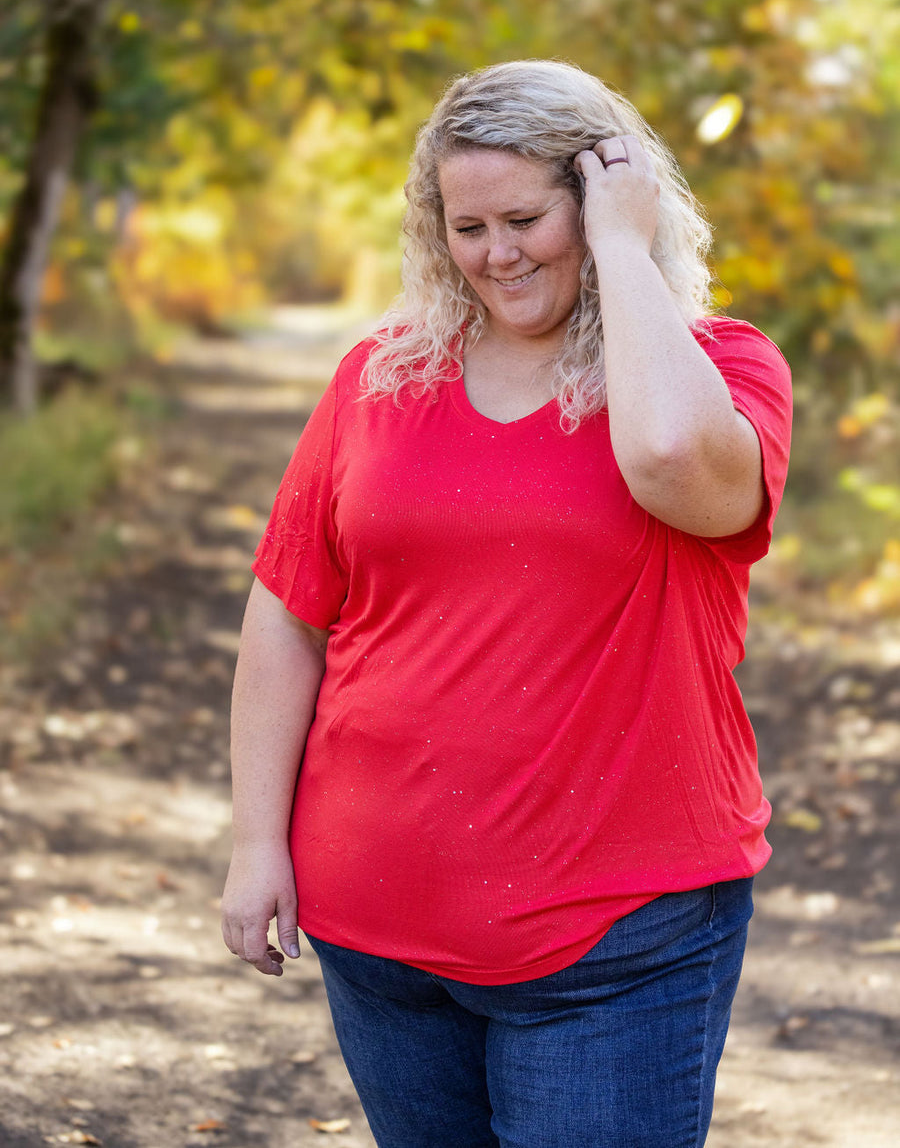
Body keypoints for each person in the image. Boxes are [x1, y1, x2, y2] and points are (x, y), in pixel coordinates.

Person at [221, 59, 792, 1148]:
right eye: (467, 225)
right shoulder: (379, 379)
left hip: (618, 939)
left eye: (528, 216)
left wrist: (627, 248)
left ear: (604, 194)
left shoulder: (721, 369)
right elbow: (288, 615)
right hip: (377, 935)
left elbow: (674, 458)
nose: (498, 254)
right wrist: (258, 842)